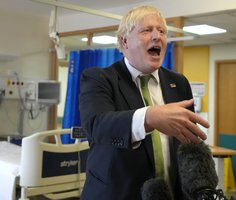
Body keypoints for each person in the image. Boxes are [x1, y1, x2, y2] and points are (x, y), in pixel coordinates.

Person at [78, 5, 210, 200]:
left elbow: (186, 143)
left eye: (162, 31)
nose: (157, 36)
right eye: (147, 30)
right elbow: (97, 126)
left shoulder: (178, 83)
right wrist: (149, 117)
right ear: (124, 42)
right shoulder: (100, 79)